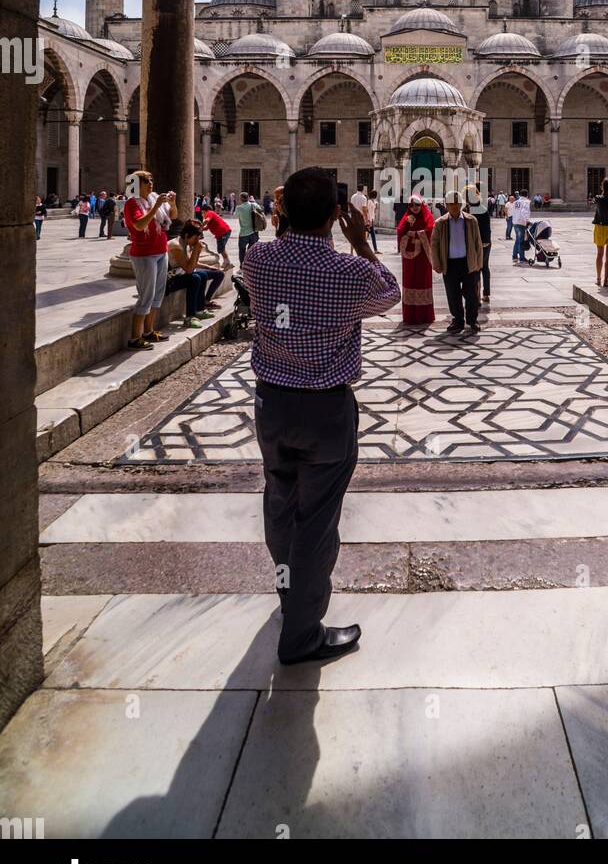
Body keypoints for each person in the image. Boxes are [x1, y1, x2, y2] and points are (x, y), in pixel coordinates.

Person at [243, 166, 400, 666]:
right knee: (316, 523)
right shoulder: (350, 273)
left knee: (280, 503)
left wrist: (284, 225)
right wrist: (362, 244)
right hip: (325, 411)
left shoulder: (258, 259)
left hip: (272, 405)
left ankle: (289, 590)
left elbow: (271, 269)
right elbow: (391, 293)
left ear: (282, 209)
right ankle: (302, 635)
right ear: (337, 214)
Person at [123, 172, 177, 350]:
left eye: (151, 180)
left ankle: (148, 331)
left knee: (158, 293)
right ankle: (135, 338)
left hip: (161, 250)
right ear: (136, 184)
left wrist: (172, 203)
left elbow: (173, 216)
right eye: (146, 181)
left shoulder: (153, 198)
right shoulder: (132, 203)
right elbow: (139, 225)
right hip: (144, 254)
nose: (150, 183)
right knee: (146, 295)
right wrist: (156, 207)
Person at [431, 189, 483, 334]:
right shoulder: (440, 223)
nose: (454, 206)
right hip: (450, 263)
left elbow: (478, 243)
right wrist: (436, 263)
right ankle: (458, 320)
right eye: (451, 203)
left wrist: (478, 263)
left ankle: (472, 320)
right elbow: (434, 244)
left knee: (471, 294)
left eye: (456, 203)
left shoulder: (471, 221)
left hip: (468, 262)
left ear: (461, 204)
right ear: (446, 205)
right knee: (453, 294)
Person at [167, 220, 224, 328]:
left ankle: (199, 310)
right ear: (187, 235)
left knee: (202, 275)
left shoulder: (185, 243)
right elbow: (189, 269)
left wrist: (198, 254)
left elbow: (191, 264)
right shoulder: (176, 245)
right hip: (168, 280)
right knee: (195, 279)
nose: (197, 241)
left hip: (179, 275)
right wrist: (196, 250)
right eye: (195, 238)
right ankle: (189, 317)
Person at [396, 195, 435, 327]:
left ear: (421, 205)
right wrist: (408, 227)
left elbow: (430, 230)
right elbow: (400, 231)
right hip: (409, 259)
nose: (415, 207)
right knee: (410, 281)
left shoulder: (427, 216)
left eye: (417, 205)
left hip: (423, 257)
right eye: (412, 205)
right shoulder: (407, 217)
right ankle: (410, 315)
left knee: (422, 281)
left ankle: (424, 315)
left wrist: (416, 233)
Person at [465, 185, 492, 304]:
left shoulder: (471, 210)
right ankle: (486, 294)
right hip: (487, 242)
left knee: (476, 269)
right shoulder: (483, 208)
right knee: (485, 267)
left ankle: (476, 297)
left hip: (477, 243)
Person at [236, 190, 264, 265]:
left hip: (244, 233)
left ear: (241, 199)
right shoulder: (254, 205)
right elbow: (261, 211)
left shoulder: (239, 208)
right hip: (254, 232)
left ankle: (242, 265)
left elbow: (235, 215)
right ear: (248, 198)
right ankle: (250, 264)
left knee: (242, 250)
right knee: (251, 250)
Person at [511, 189, 531, 262]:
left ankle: (514, 255)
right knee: (521, 240)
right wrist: (527, 221)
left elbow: (513, 212)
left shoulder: (515, 202)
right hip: (521, 223)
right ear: (527, 195)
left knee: (517, 239)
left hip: (515, 222)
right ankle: (522, 257)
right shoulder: (526, 202)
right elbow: (524, 212)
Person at [365, 188, 379, 252]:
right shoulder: (369, 201)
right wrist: (369, 220)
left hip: (372, 219)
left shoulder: (374, 201)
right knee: (370, 235)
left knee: (369, 235)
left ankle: (374, 249)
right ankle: (375, 249)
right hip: (369, 220)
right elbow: (368, 211)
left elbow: (374, 210)